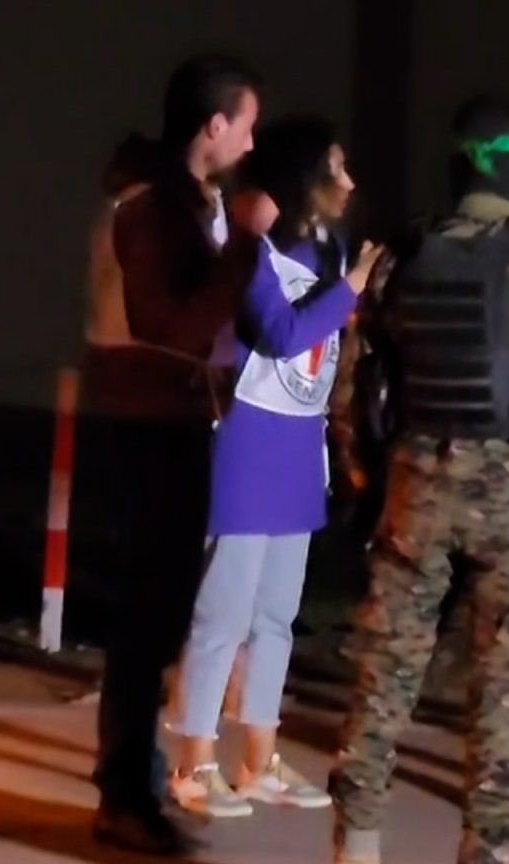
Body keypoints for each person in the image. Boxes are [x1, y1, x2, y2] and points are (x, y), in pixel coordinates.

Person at [327, 98, 509, 864]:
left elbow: (353, 382)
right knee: (503, 698)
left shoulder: (404, 255)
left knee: (385, 681)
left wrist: (364, 476)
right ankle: (486, 852)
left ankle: (356, 846)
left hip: (415, 489)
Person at [166, 116, 382, 818]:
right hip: (249, 444)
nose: (348, 182)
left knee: (276, 617)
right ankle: (193, 764)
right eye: (335, 168)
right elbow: (283, 333)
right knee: (222, 614)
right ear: (303, 178)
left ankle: (258, 759)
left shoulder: (331, 250)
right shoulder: (252, 253)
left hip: (298, 448)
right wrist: (351, 288)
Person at [77, 53, 262, 856]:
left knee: (157, 614)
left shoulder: (179, 200)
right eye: (246, 126)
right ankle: (125, 798)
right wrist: (246, 246)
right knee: (146, 616)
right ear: (214, 125)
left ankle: (135, 787)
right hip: (147, 426)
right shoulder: (152, 208)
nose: (251, 144)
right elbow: (174, 329)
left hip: (166, 419)